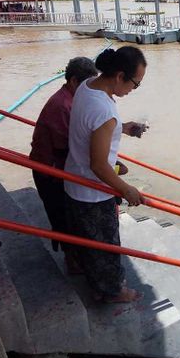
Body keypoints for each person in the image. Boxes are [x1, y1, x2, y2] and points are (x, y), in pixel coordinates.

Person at [64, 46, 148, 303]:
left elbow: (93, 126)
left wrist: (122, 128)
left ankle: (97, 282)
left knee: (89, 242)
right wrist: (127, 189)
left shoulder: (88, 86)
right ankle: (113, 291)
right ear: (120, 75)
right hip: (92, 191)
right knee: (107, 245)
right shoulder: (105, 111)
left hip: (74, 180)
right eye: (136, 83)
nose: (134, 89)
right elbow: (99, 165)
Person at [29, 57, 99, 273]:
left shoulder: (71, 100)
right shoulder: (62, 105)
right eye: (87, 85)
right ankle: (73, 261)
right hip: (49, 171)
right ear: (74, 81)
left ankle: (77, 257)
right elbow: (72, 145)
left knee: (71, 215)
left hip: (58, 166)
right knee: (63, 216)